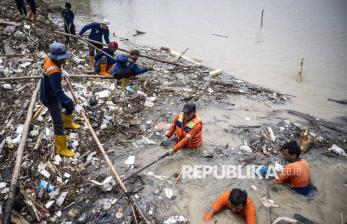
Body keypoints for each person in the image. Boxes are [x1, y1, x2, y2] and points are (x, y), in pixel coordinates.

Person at [40, 42, 83, 157]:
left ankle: (68, 123)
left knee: (68, 106)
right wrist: (74, 105)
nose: (64, 60)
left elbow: (46, 67)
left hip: (49, 90)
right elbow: (58, 92)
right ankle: (61, 148)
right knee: (58, 121)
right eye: (62, 59)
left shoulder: (49, 59)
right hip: (50, 97)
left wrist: (61, 71)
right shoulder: (53, 71)